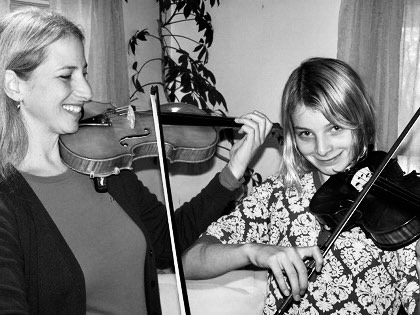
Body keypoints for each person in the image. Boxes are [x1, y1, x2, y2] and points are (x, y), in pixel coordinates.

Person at [0, 7, 274, 315]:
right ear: (15, 85)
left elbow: (172, 240)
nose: (86, 90)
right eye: (66, 76)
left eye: (84, 73)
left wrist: (233, 170)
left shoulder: (105, 167)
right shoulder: (8, 203)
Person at [183, 57, 420, 314]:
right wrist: (253, 251)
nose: (322, 148)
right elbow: (189, 261)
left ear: (360, 121)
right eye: (306, 133)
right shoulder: (279, 194)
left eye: (336, 128)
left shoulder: (399, 204)